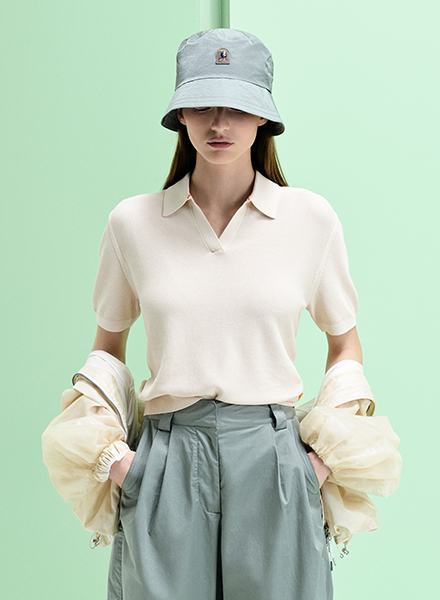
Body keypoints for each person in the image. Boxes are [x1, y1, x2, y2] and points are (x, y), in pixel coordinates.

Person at [91, 28, 362, 600]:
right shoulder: (132, 223)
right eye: (203, 106)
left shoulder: (310, 220)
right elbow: (107, 347)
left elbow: (345, 344)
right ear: (180, 115)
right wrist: (121, 462)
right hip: (167, 455)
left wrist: (317, 464)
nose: (219, 124)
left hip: (273, 457)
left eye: (237, 107)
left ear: (263, 117)